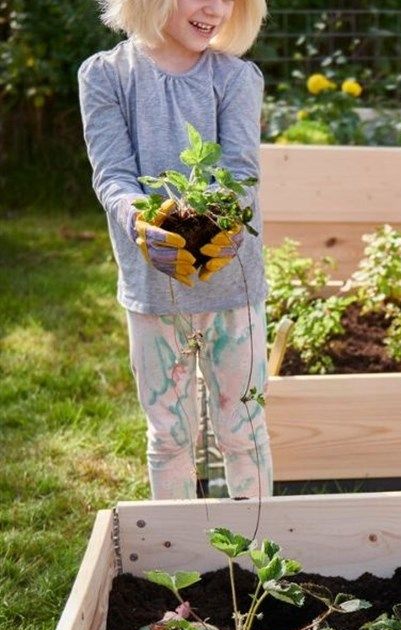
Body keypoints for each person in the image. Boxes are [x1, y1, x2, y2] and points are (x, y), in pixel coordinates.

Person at [78, 0, 272, 500]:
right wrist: (146, 223)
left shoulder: (235, 78)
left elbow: (241, 173)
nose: (217, 9)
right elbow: (113, 175)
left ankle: (253, 568)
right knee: (169, 436)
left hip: (233, 289)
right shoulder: (106, 76)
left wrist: (211, 226)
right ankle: (183, 570)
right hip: (154, 289)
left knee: (242, 431)